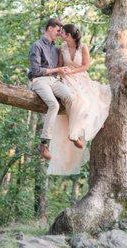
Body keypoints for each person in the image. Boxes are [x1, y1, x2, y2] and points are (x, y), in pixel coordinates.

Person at [47, 24, 111, 175]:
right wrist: (60, 73)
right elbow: (61, 65)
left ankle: (76, 133)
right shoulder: (62, 47)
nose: (60, 34)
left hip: (81, 77)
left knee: (88, 102)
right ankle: (74, 135)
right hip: (66, 78)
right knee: (75, 100)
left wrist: (73, 71)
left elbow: (86, 65)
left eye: (62, 33)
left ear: (69, 35)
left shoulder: (83, 47)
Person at [28, 18, 79, 161]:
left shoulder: (56, 48)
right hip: (39, 80)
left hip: (54, 80)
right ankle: (43, 144)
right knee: (54, 104)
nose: (59, 33)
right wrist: (57, 69)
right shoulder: (36, 45)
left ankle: (73, 133)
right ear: (50, 28)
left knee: (70, 97)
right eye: (57, 30)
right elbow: (36, 70)